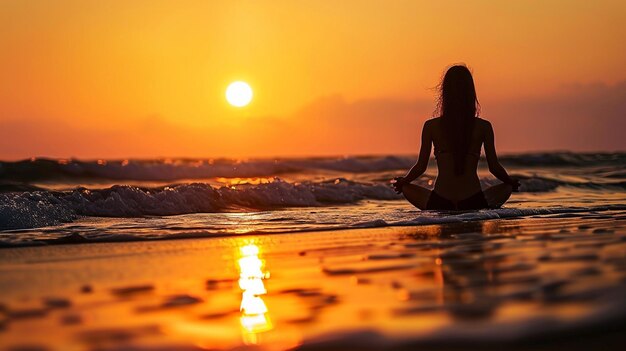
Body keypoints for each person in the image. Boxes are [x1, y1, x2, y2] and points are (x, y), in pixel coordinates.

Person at [392, 64, 520, 210]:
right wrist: (511, 182)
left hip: (440, 201)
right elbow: (494, 167)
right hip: (474, 200)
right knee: (507, 187)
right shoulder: (484, 127)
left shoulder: (431, 126)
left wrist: (403, 182)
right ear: (471, 93)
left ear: (444, 93)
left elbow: (421, 167)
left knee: (407, 187)